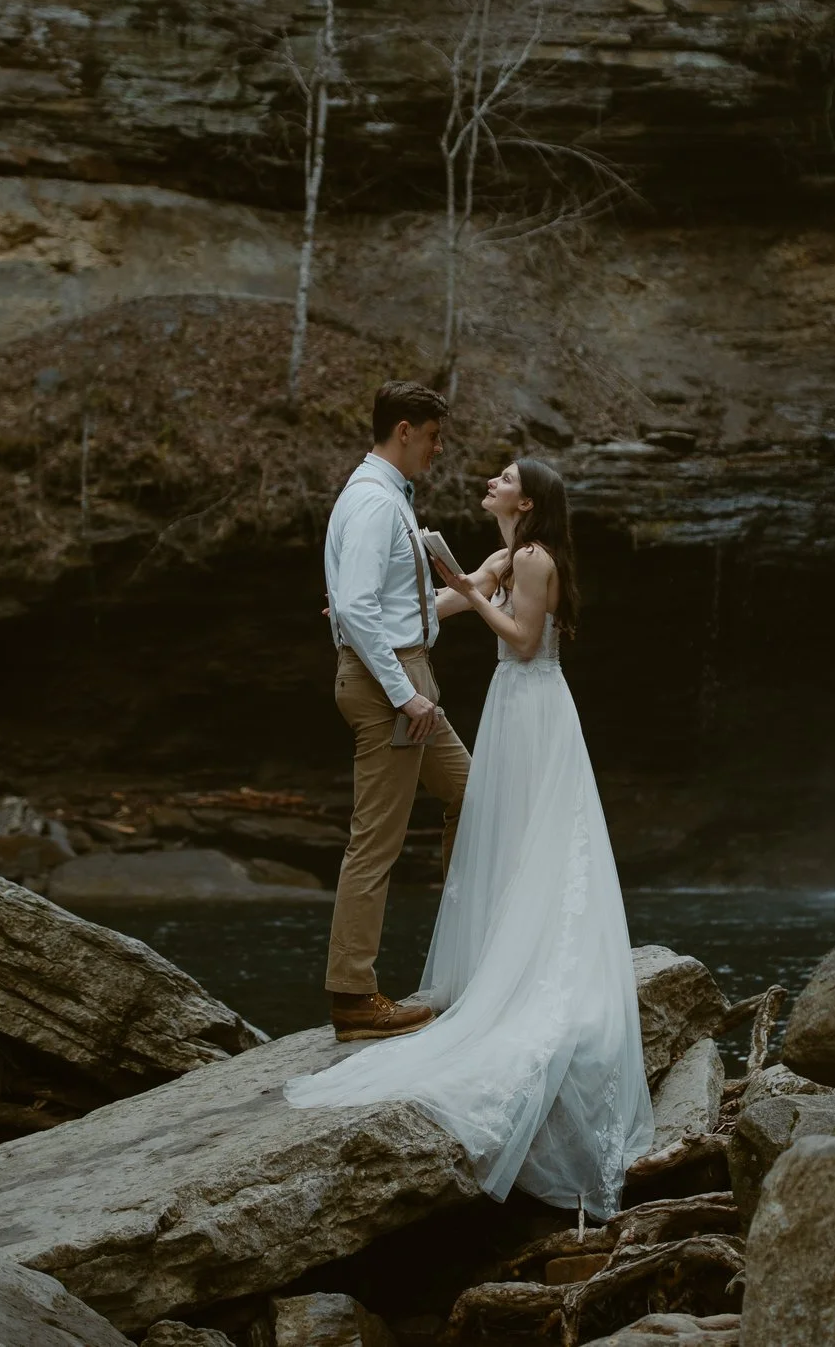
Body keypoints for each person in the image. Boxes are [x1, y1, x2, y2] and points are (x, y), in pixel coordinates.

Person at [289, 457, 654, 1219]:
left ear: (527, 499)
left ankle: (522, 956)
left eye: (503, 476)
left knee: (526, 829)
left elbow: (520, 638)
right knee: (503, 823)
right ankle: (498, 942)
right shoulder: (507, 556)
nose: (490, 479)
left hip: (529, 696)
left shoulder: (531, 557)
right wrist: (383, 614)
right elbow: (442, 614)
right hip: (516, 704)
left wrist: (461, 582)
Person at [322, 380, 472, 1043]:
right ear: (404, 429)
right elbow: (354, 609)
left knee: (474, 793)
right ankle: (353, 995)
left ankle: (470, 944)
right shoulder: (374, 503)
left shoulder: (385, 500)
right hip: (393, 687)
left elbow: (368, 604)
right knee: (375, 842)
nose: (437, 450)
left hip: (407, 676)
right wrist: (404, 692)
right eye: (434, 436)